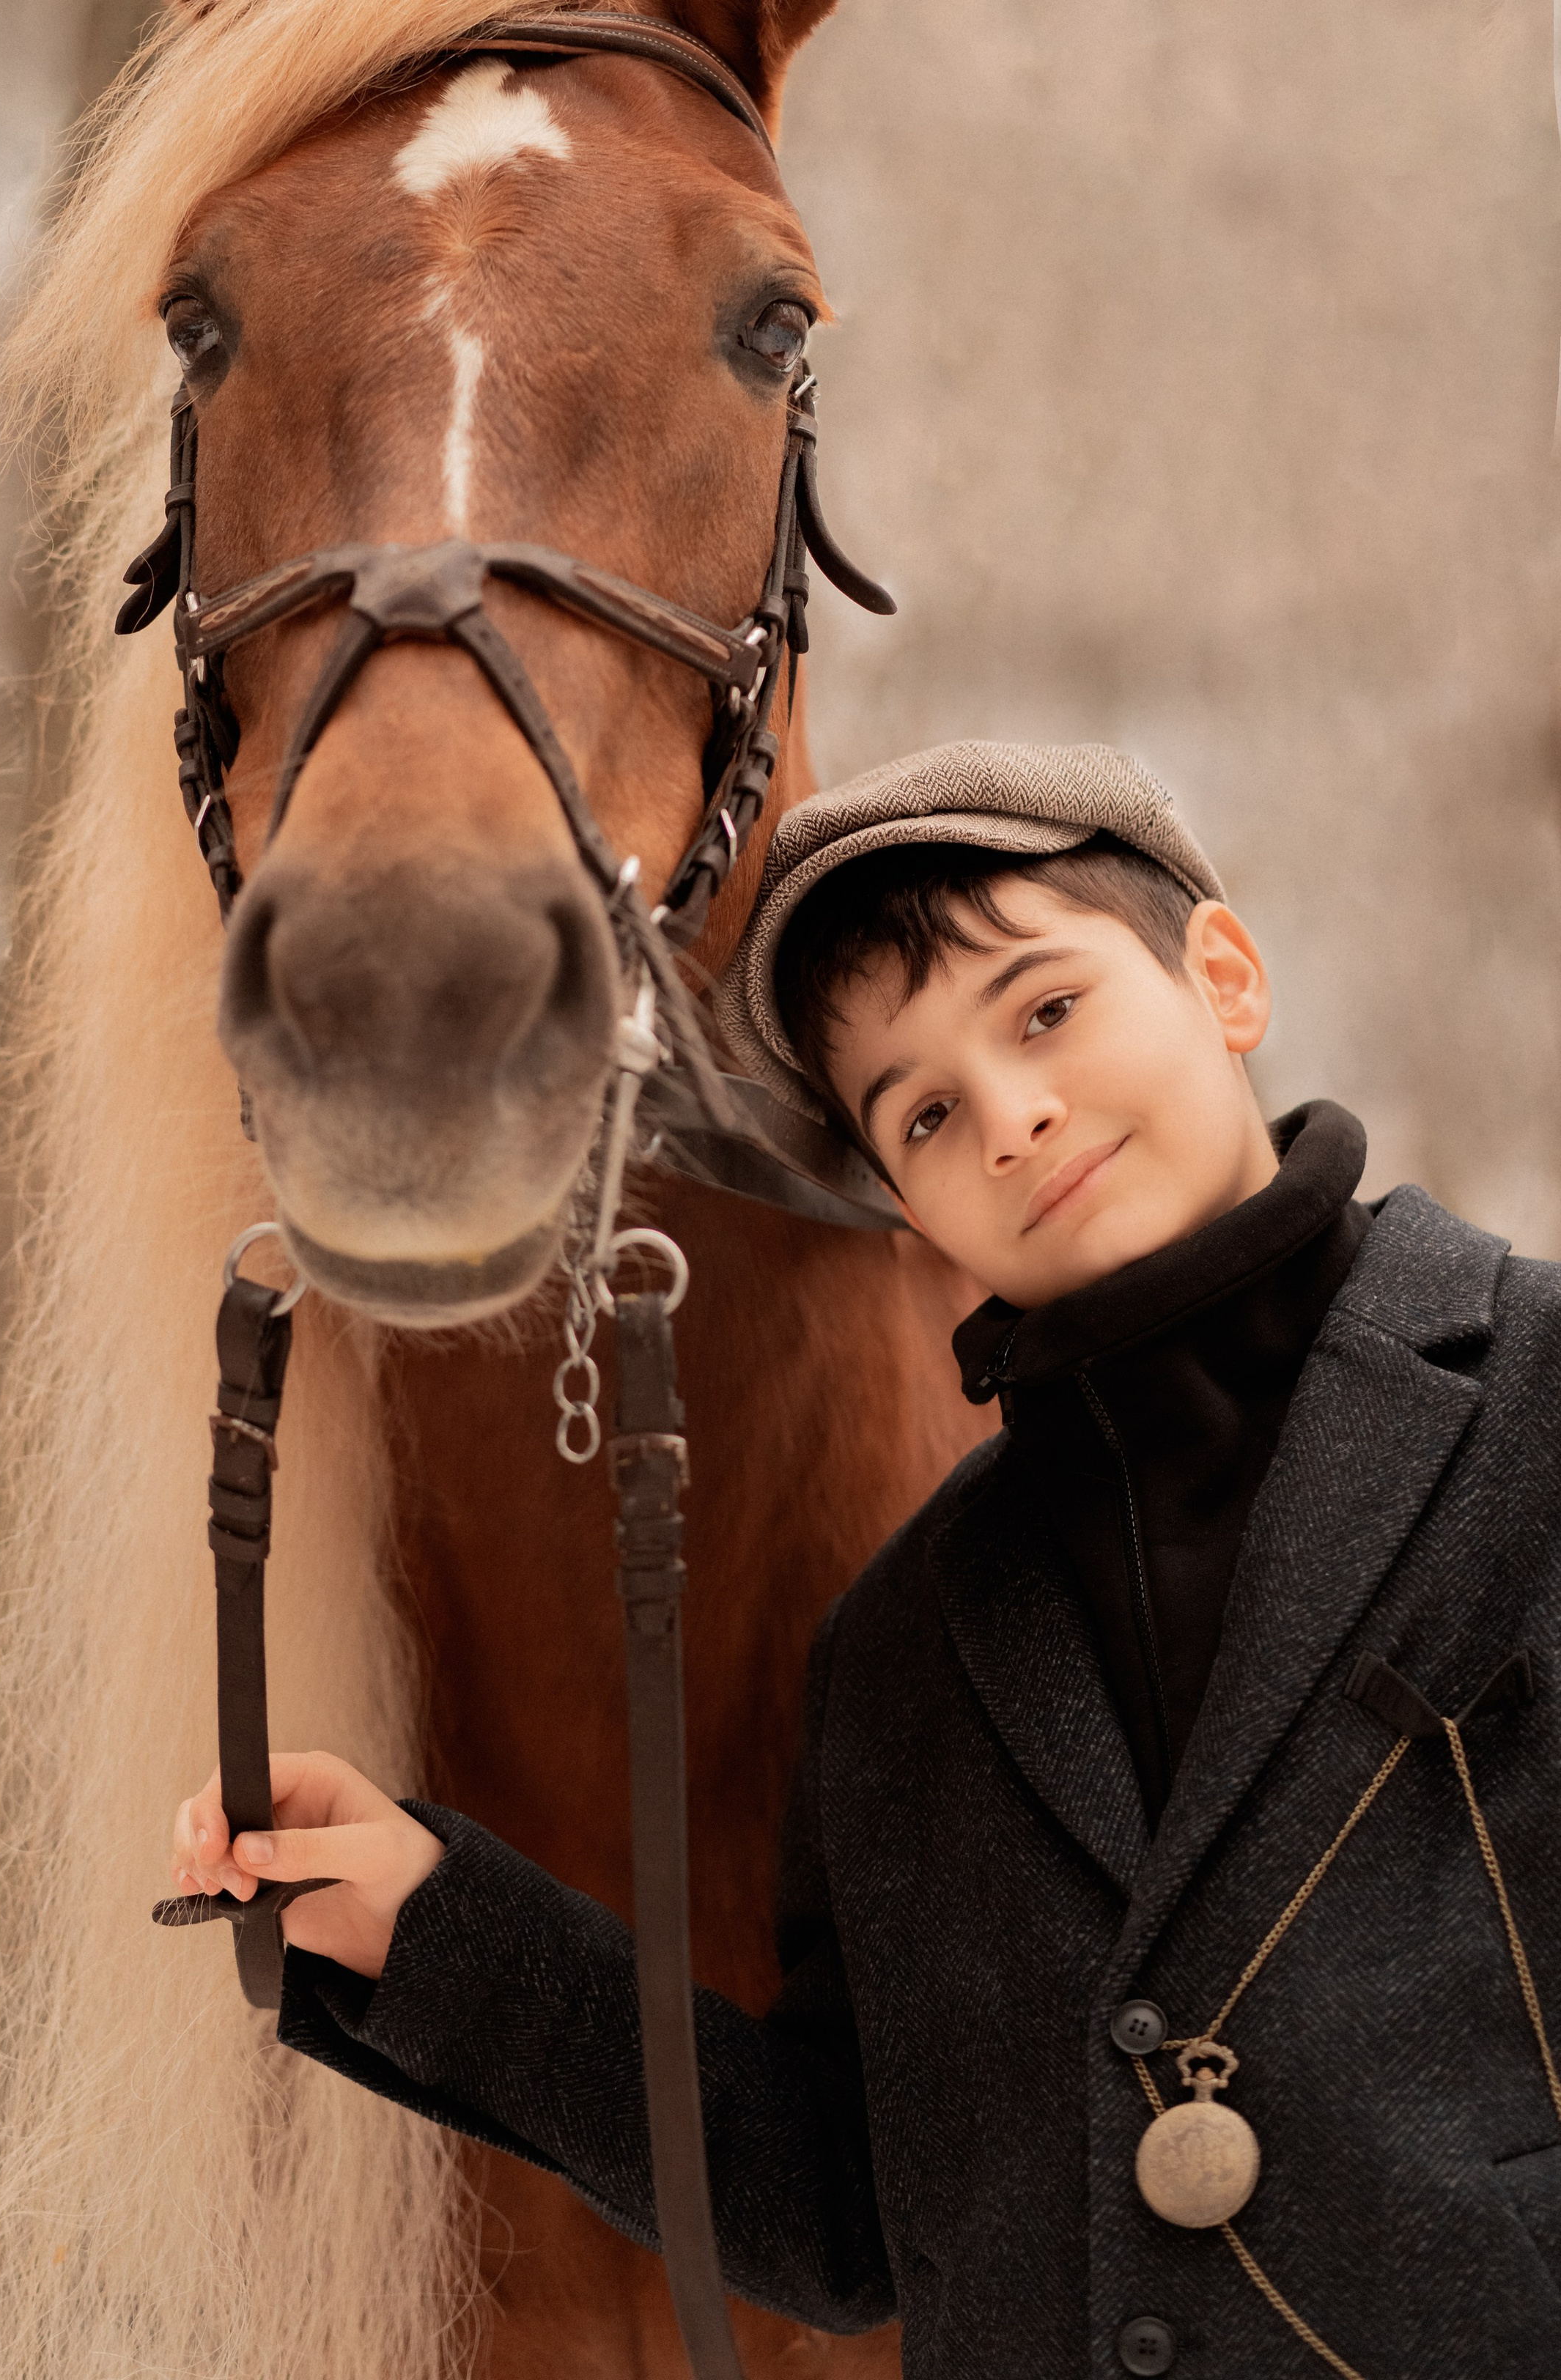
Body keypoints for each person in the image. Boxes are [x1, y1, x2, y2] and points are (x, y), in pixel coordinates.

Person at [169, 740, 1561, 2376]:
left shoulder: (1531, 1407)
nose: (1013, 1115)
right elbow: (843, 2212)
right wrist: (432, 1925)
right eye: (922, 1110)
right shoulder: (900, 1655)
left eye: (1044, 1012)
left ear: (1223, 978)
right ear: (906, 1205)